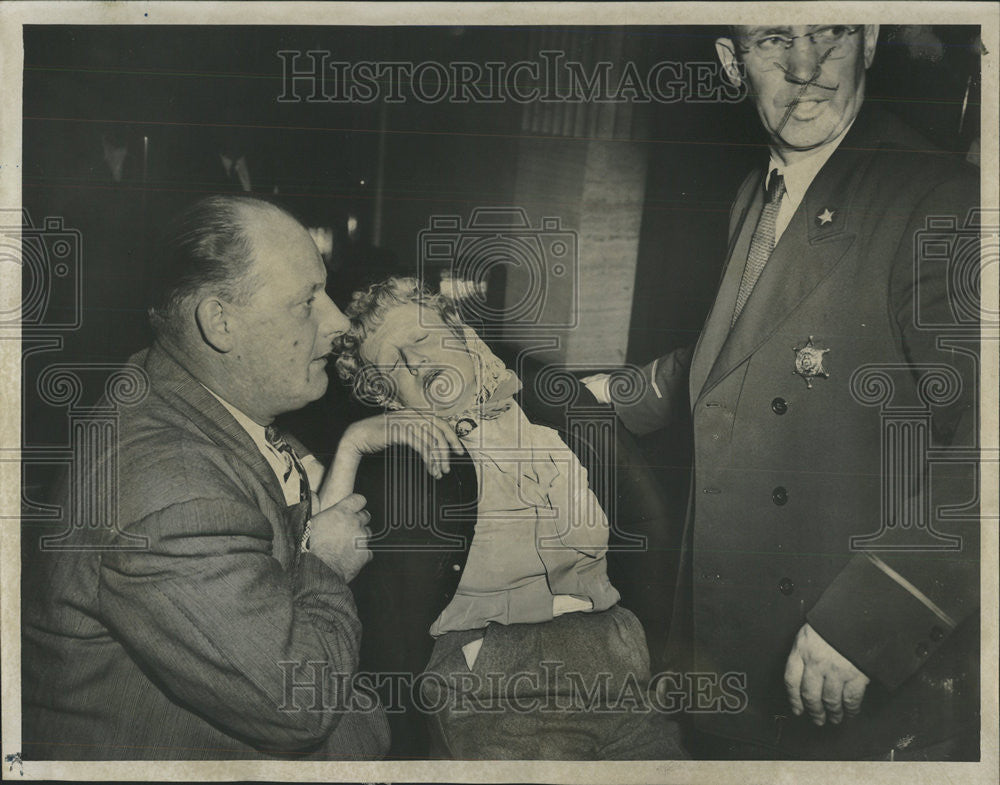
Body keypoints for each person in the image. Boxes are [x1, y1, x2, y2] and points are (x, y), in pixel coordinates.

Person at [585, 24, 979, 760]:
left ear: (870, 40)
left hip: (840, 660)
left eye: (829, 31)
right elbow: (739, 351)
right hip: (732, 633)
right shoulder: (754, 193)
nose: (807, 67)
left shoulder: (940, 197)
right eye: (774, 40)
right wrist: (608, 389)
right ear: (732, 63)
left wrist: (875, 616)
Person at [20, 195, 457, 760]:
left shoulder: (169, 387)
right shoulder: (171, 500)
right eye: (306, 302)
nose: (339, 323)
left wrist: (346, 450)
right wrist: (324, 565)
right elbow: (301, 702)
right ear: (220, 322)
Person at [333, 277, 686, 760]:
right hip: (497, 682)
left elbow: (646, 519)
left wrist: (651, 644)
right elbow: (348, 591)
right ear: (389, 398)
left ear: (459, 331)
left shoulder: (552, 402)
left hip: (614, 662)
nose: (415, 361)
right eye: (392, 363)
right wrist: (353, 446)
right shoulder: (396, 468)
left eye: (419, 337)